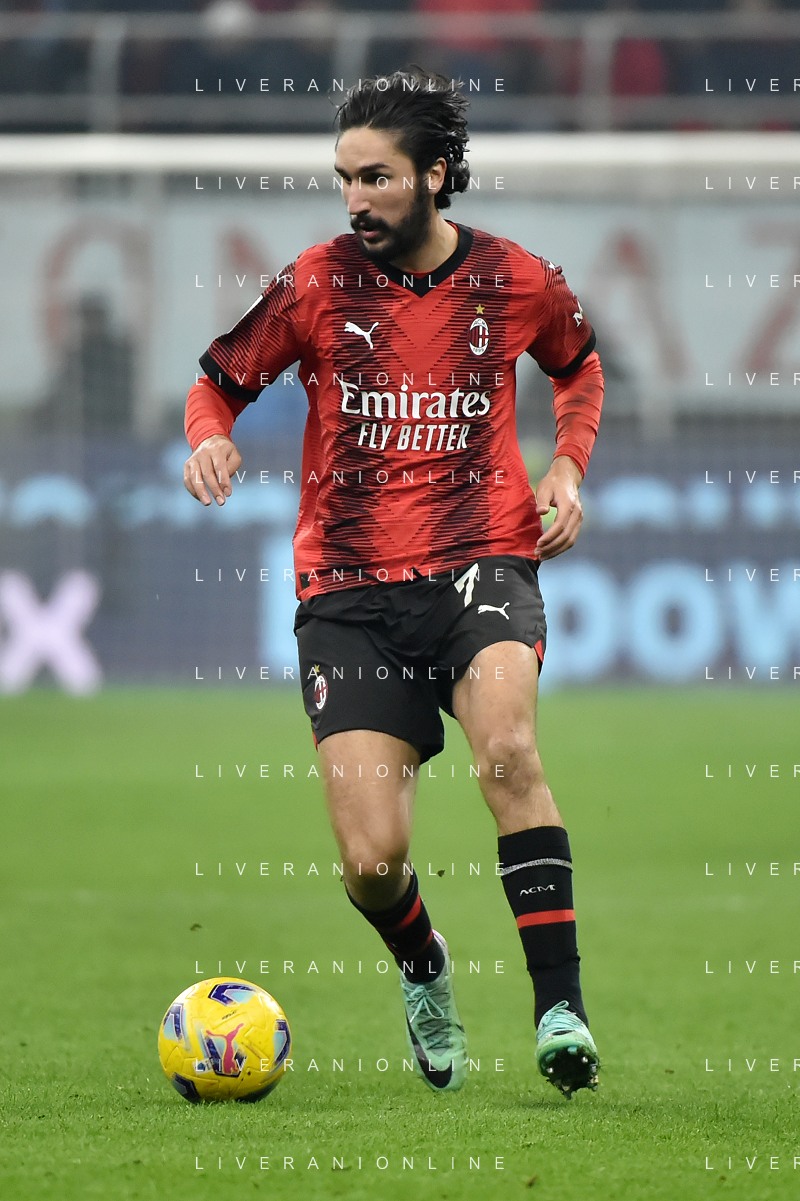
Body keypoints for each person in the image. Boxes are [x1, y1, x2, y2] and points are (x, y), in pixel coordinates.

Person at [183, 68, 604, 1099]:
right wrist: (208, 439)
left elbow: (578, 366)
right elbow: (217, 382)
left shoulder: (515, 279)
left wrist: (565, 466)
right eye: (344, 178)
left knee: (509, 749)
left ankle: (560, 1010)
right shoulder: (315, 284)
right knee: (373, 860)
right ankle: (423, 964)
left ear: (435, 175)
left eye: (375, 177)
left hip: (480, 560)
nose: (354, 199)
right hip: (349, 591)